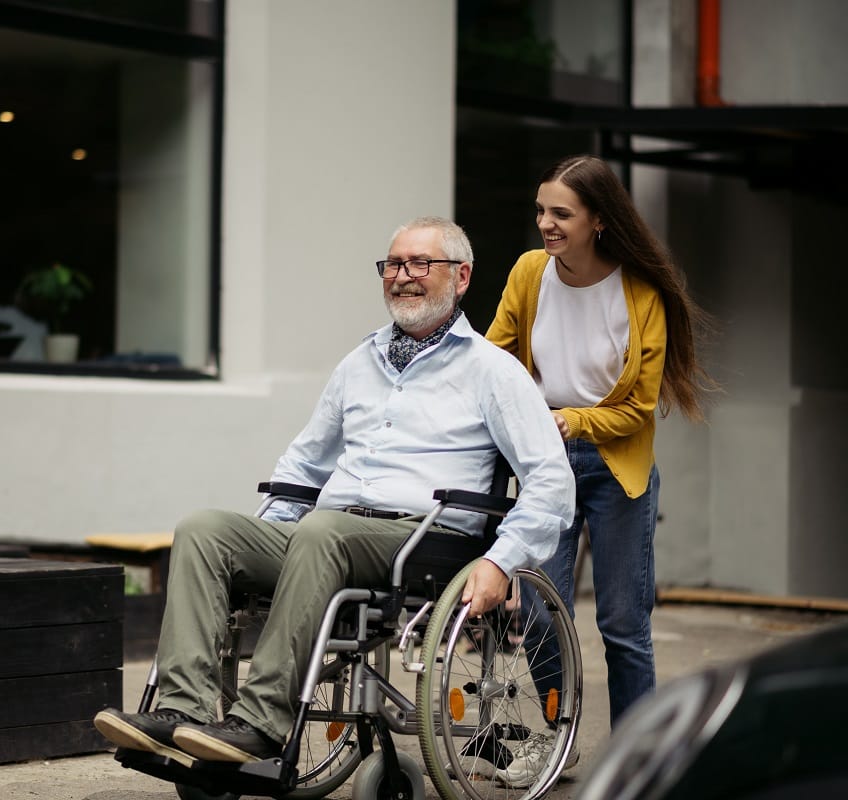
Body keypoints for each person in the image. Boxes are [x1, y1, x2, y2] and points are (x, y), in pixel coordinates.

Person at [94, 216, 575, 781]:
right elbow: (303, 464)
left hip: (425, 540)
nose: (403, 277)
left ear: (461, 276)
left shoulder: (493, 371)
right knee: (205, 529)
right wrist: (266, 546)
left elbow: (551, 482)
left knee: (323, 532)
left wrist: (501, 560)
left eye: (420, 264)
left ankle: (261, 722)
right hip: (331, 534)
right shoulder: (360, 362)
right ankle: (185, 711)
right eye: (393, 265)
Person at [486, 154, 717, 728]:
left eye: (561, 213)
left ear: (599, 220)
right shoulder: (528, 272)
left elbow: (637, 410)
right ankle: (556, 739)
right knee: (540, 611)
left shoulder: (641, 293)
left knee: (623, 624)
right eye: (541, 211)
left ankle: (636, 755)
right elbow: (494, 359)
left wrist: (572, 420)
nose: (546, 224)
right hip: (544, 462)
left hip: (619, 469)